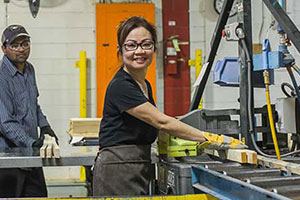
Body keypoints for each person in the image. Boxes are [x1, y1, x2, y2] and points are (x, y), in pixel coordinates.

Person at [92, 16, 244, 196]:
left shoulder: (143, 84)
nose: (139, 51)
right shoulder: (121, 86)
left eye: (146, 44)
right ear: (120, 49)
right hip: (118, 168)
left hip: (134, 164)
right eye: (131, 45)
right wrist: (213, 139)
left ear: (154, 48)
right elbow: (161, 122)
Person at [0, 24, 58, 197]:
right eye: (15, 45)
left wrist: (45, 126)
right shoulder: (1, 77)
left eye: (25, 43)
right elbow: (5, 123)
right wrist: (31, 143)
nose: (21, 49)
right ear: (4, 48)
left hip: (31, 157)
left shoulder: (30, 70)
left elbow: (34, 105)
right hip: (9, 160)